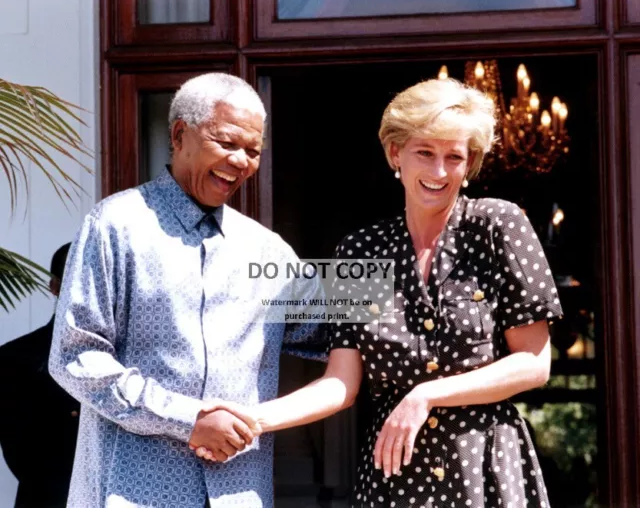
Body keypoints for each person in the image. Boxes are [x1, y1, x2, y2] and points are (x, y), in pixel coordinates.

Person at [205, 78, 563, 507]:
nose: (439, 172)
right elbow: (341, 382)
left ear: (469, 166)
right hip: (395, 479)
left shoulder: (497, 227)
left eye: (454, 157)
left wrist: (427, 394)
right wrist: (252, 420)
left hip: (484, 469)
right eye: (425, 153)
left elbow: (534, 363)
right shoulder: (360, 250)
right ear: (396, 154)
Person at [49, 73, 326, 508]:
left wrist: (411, 257)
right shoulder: (115, 225)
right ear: (180, 135)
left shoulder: (266, 250)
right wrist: (189, 418)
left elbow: (347, 320)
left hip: (240, 494)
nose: (241, 161)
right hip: (131, 493)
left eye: (253, 151)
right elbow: (75, 357)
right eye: (228, 143)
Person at [0, 243, 80, 508]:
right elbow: (20, 455)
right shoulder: (16, 357)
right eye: (76, 277)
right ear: (54, 286)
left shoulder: (136, 359)